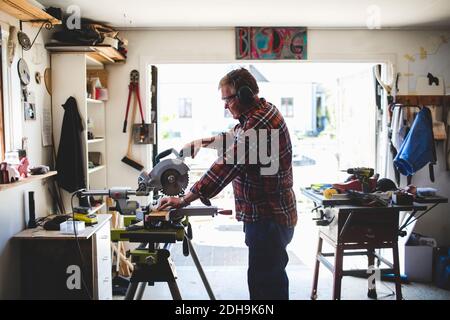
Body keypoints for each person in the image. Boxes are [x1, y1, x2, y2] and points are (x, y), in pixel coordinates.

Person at [157, 68, 297, 300]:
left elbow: (225, 168)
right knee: (264, 281)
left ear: (243, 94)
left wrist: (183, 199)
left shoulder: (258, 126)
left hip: (268, 219)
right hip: (268, 216)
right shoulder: (260, 112)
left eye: (227, 99)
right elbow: (234, 137)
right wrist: (201, 142)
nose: (225, 106)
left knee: (266, 288)